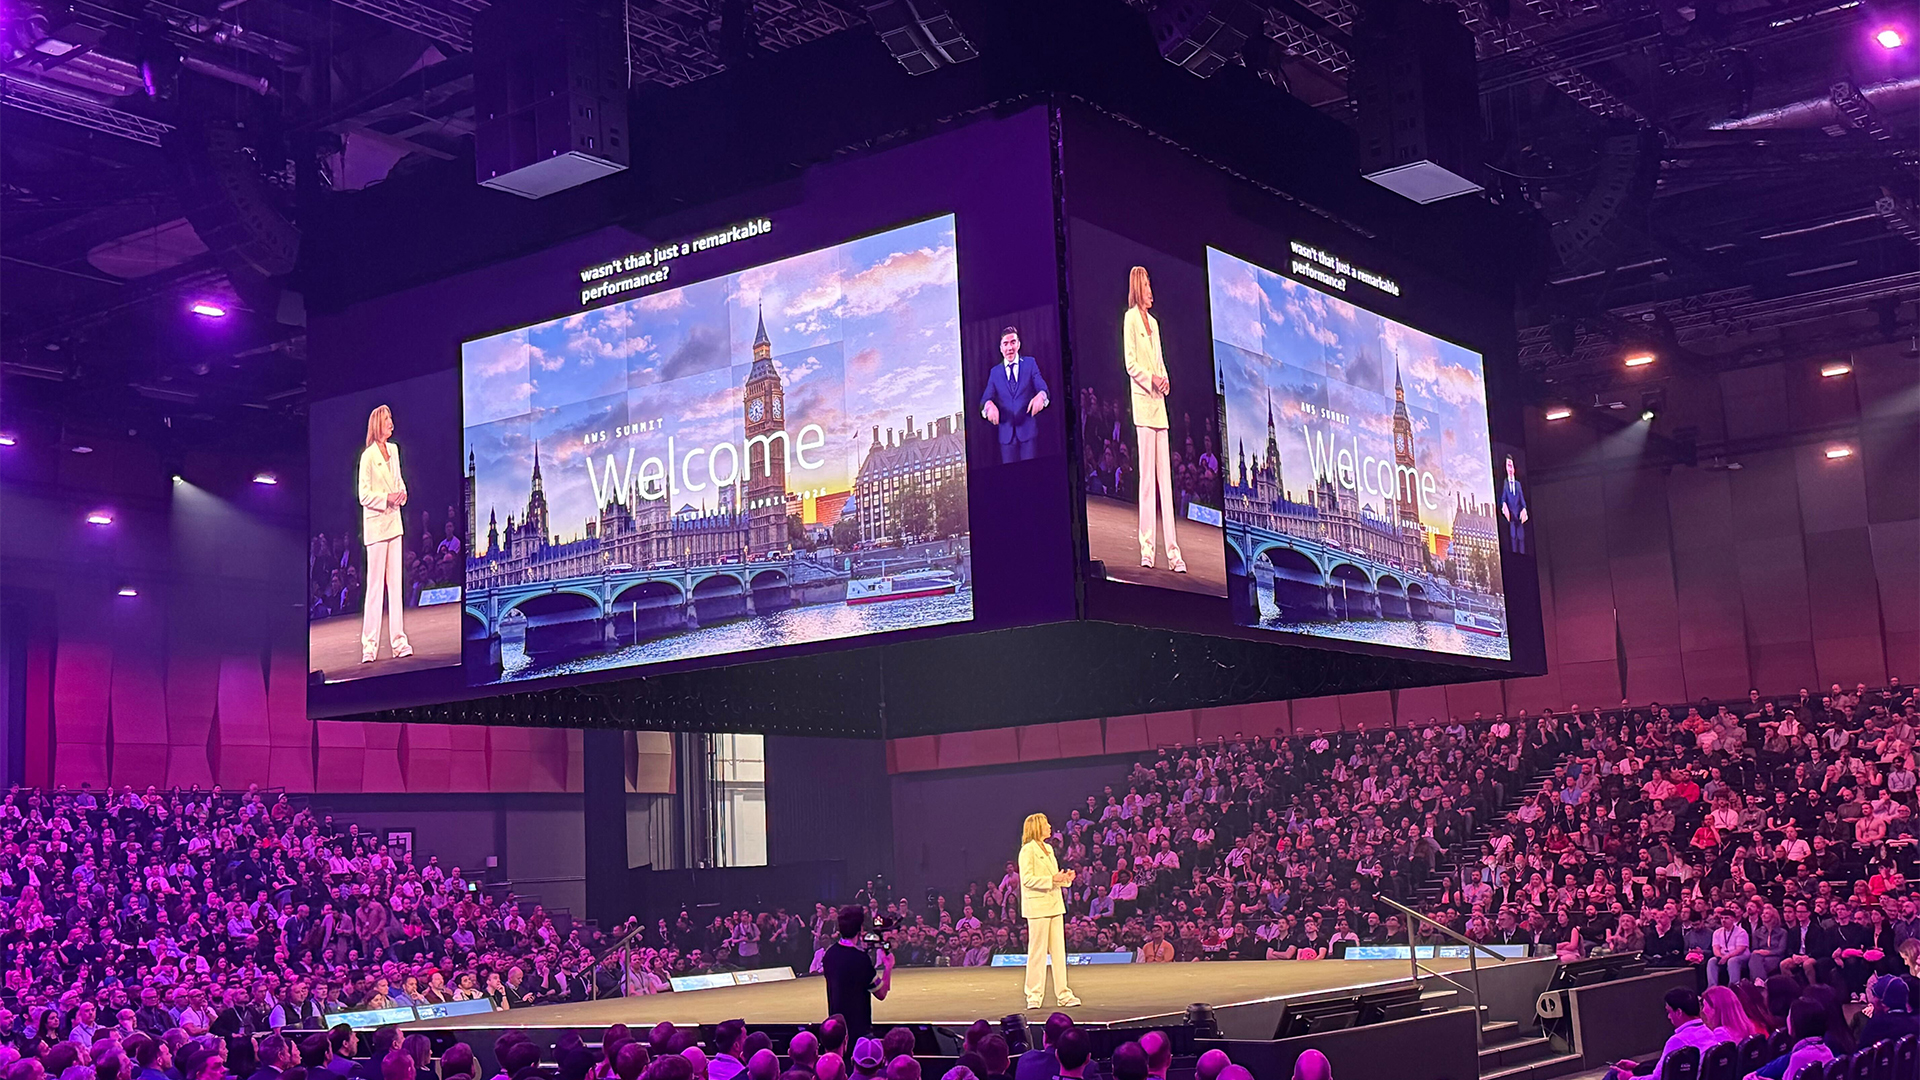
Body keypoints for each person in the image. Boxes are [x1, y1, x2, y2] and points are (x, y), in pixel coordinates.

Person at [1121, 266, 1183, 574]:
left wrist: (1166, 381)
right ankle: (1148, 550)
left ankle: (1174, 553)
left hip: (1161, 406)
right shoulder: (1130, 318)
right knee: (1147, 480)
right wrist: (1152, 381)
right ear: (1137, 287)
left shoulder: (1155, 324)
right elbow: (1131, 363)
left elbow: (1160, 360)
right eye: (1146, 285)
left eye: (1150, 284)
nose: (1150, 290)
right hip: (1144, 404)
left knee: (1165, 483)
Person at [358, 404, 412, 664]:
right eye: (387, 419)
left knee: (396, 586)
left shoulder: (395, 450)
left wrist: (401, 493)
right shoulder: (368, 456)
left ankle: (399, 642)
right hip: (377, 525)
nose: (392, 422)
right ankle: (369, 646)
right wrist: (386, 498)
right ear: (378, 424)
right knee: (375, 587)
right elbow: (364, 495)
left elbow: (398, 481)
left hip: (394, 523)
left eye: (392, 417)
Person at [1018, 814, 1080, 1010]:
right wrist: (1052, 880)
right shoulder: (1027, 850)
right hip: (1038, 908)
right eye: (1046, 824)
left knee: (1059, 952)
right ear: (1037, 827)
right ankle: (1034, 995)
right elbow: (1027, 879)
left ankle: (1064, 994)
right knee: (1037, 952)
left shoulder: (1050, 849)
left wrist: (1065, 878)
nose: (1050, 827)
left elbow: (1054, 878)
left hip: (1054, 905)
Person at [1607, 988, 1717, 1080]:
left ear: (1678, 1012)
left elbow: (1657, 1079)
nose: (1669, 1017)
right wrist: (1639, 1067)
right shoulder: (1708, 1033)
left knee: (1614, 1074)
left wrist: (1630, 1078)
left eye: (1669, 1012)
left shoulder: (1678, 1040)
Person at [978, 327, 1051, 464]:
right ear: (1000, 348)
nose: (1009, 347)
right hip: (1006, 437)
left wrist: (1041, 397)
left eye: (1013, 342)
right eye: (1005, 344)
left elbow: (1043, 389)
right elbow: (985, 399)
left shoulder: (1030, 363)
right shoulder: (995, 372)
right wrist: (988, 406)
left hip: (1028, 434)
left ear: (1018, 344)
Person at [822, 907, 893, 1041]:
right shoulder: (861, 959)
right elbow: (882, 993)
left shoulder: (829, 954)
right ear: (860, 929)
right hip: (859, 1031)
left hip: (836, 1029)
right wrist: (888, 967)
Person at [1499, 455, 1528, 555]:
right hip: (1511, 519)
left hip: (1519, 520)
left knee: (1521, 541)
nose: (1510, 469)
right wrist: (1504, 506)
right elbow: (1503, 499)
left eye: (1511, 466)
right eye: (1508, 466)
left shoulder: (1518, 485)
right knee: (1513, 542)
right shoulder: (1505, 484)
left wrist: (1524, 509)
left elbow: (1522, 501)